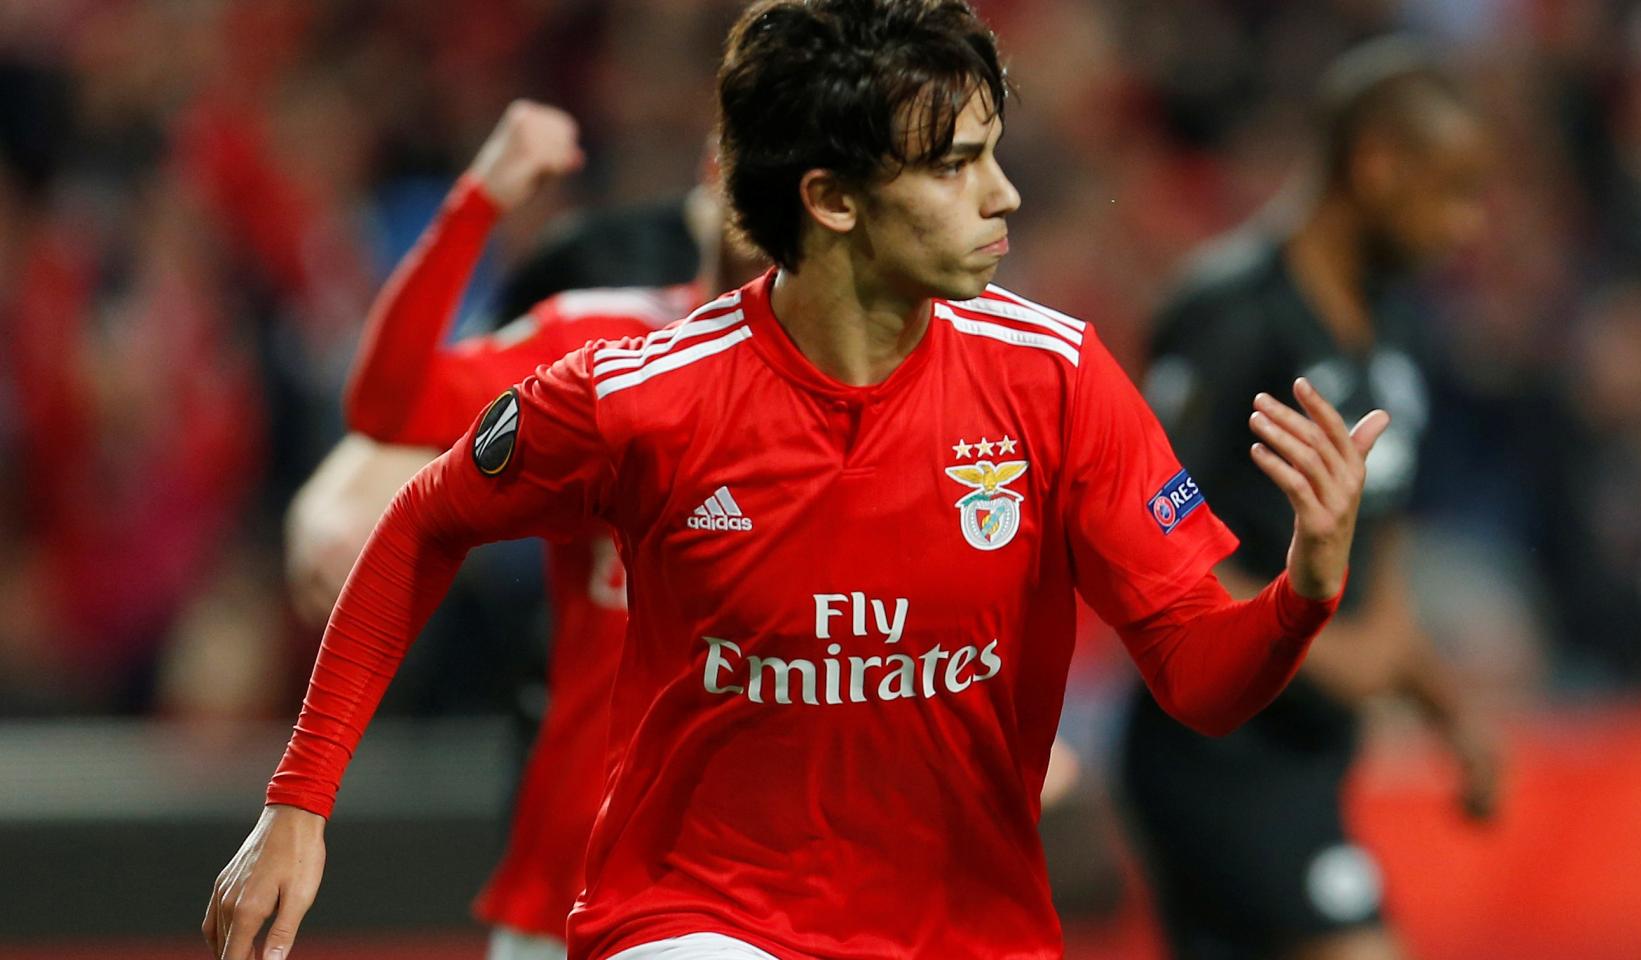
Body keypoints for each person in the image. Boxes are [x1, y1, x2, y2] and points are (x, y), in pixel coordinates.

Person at [206, 3, 1391, 958]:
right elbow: (425, 520)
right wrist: (297, 806)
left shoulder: (1059, 379)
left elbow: (1195, 678)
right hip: (691, 916)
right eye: (957, 165)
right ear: (827, 199)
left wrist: (1301, 589)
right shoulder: (639, 392)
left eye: (996, 156)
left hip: (964, 929)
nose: (1004, 197)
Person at [283, 100, 761, 960]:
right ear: (717, 175)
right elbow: (394, 405)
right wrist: (480, 199)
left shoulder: (920, 376)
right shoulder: (607, 336)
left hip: (782, 877)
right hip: (580, 866)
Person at [1118, 38, 1503, 960]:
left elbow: (1381, 553)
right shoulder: (1231, 311)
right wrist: (1324, 638)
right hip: (1217, 752)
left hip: (1314, 756)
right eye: (1452, 190)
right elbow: (1150, 526)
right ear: (1375, 165)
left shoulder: (1400, 323)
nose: (1469, 226)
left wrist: (1449, 712)